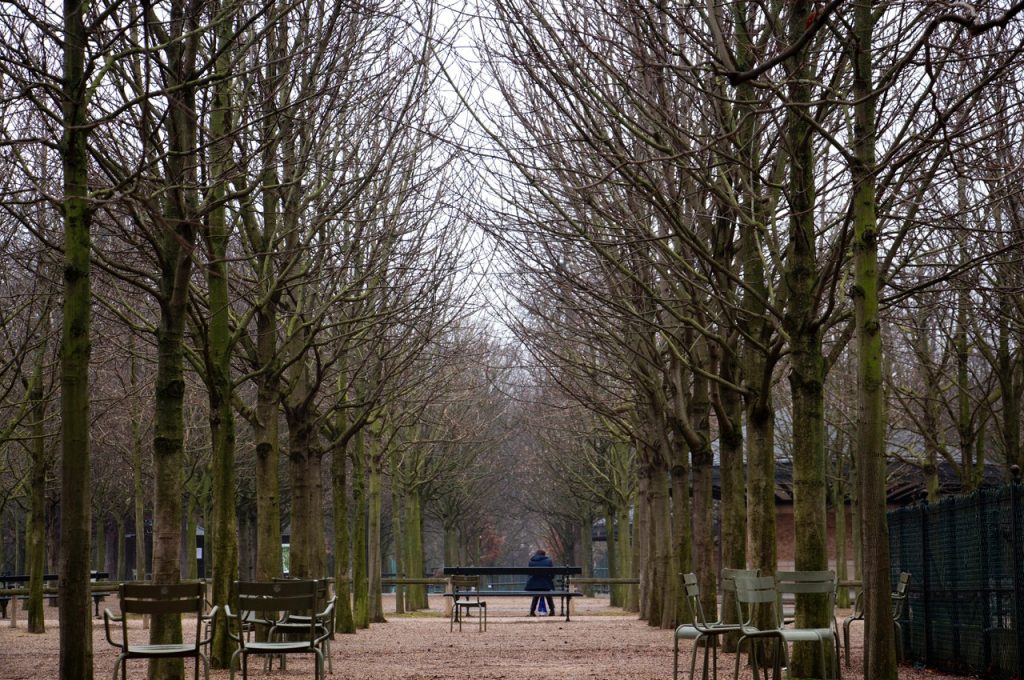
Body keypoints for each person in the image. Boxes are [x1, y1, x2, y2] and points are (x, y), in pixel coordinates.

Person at [525, 548, 556, 616]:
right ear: (544, 555)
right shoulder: (548, 561)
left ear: (536, 554)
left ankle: (532, 611)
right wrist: (549, 579)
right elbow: (552, 574)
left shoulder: (531, 561)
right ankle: (552, 611)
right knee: (548, 594)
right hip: (546, 584)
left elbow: (530, 574)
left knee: (536, 595)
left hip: (534, 585)